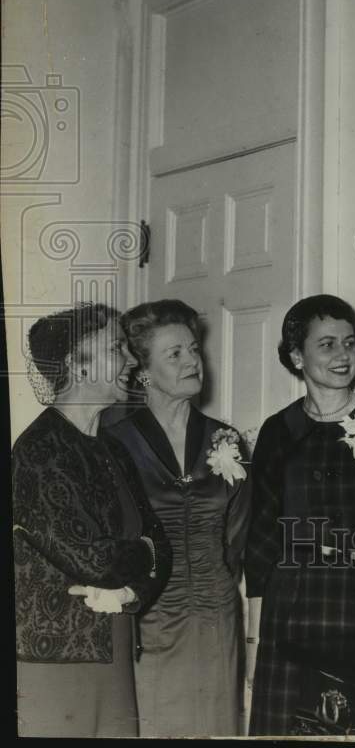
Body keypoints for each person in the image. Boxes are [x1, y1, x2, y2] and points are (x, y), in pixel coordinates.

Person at [245, 294, 355, 735]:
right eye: (326, 344)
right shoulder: (277, 430)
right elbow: (262, 537)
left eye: (349, 342)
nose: (344, 355)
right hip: (291, 604)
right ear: (296, 356)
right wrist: (253, 640)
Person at [13, 303, 171, 738]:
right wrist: (147, 553)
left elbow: (162, 546)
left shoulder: (113, 450)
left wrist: (128, 592)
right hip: (57, 662)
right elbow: (94, 559)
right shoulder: (39, 452)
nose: (132, 360)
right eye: (116, 347)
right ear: (76, 364)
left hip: (114, 647)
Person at [100, 299, 251, 737]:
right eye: (175, 354)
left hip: (215, 614)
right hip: (147, 617)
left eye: (194, 350)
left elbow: (236, 537)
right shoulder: (115, 442)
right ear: (143, 372)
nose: (192, 361)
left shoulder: (225, 439)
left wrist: (213, 581)